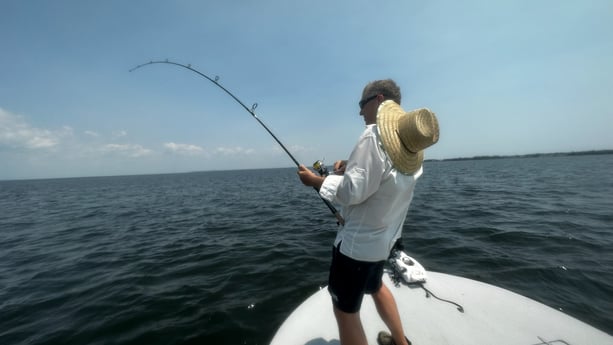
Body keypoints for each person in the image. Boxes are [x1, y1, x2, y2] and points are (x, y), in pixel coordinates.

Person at [297, 79, 439, 345]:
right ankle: (401, 342)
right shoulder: (409, 146)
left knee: (345, 311)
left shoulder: (372, 136)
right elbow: (387, 175)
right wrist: (351, 164)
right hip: (384, 243)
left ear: (378, 99)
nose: (360, 112)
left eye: (362, 105)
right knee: (376, 287)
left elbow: (352, 192)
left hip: (357, 248)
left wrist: (315, 181)